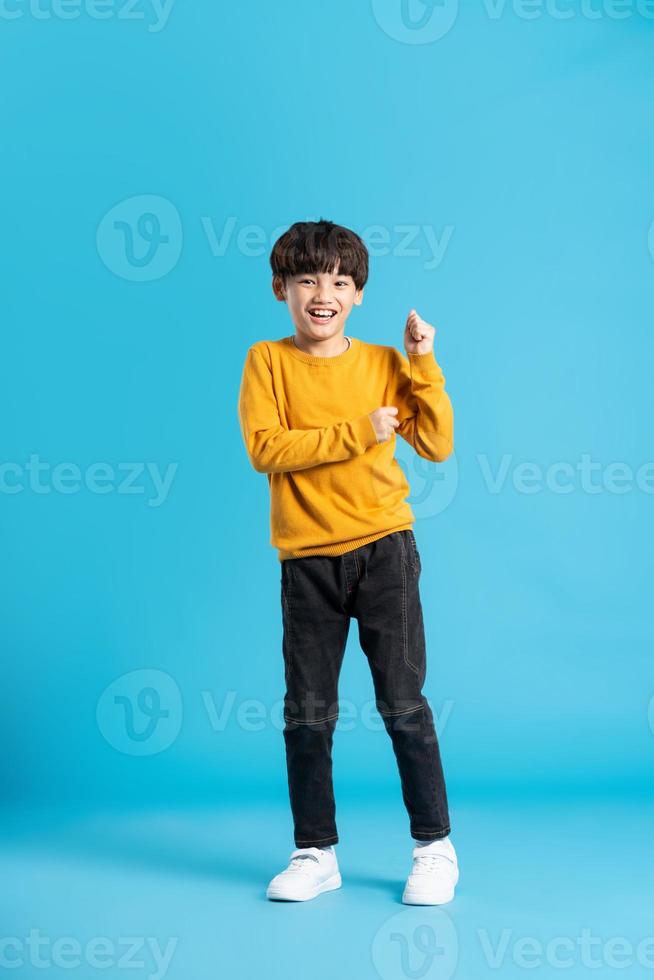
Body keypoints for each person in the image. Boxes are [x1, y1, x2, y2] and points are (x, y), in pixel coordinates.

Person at [237, 218, 458, 905]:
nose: (322, 294)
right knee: (306, 709)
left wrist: (421, 362)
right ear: (282, 289)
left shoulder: (384, 365)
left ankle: (434, 847)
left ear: (358, 294)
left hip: (385, 551)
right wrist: (357, 431)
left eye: (338, 281)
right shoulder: (266, 362)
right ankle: (315, 851)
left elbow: (438, 445)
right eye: (307, 280)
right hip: (307, 560)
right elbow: (267, 449)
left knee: (402, 700)